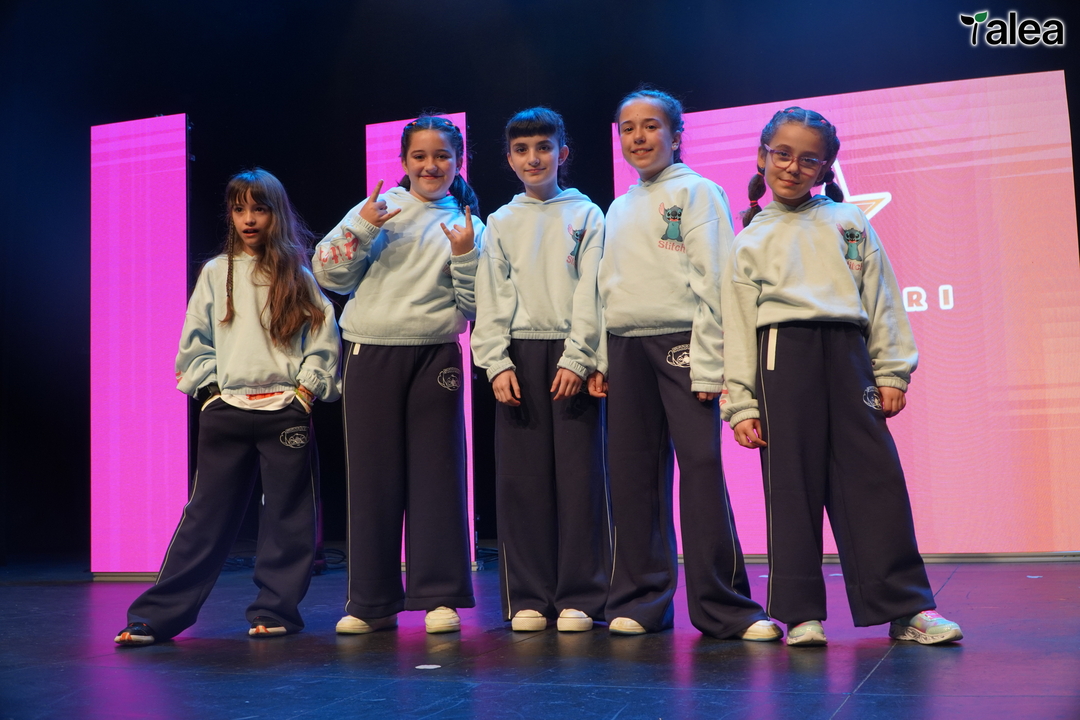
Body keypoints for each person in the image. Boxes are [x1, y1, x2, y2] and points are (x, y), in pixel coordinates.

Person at [723, 106, 963, 646]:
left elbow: (882, 300)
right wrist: (741, 403)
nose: (793, 167)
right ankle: (800, 613)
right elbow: (735, 327)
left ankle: (906, 608)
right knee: (791, 485)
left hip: (849, 355)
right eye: (782, 154)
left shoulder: (849, 221)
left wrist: (892, 370)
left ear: (825, 167)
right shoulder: (748, 240)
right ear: (762, 157)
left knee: (875, 481)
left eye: (808, 159)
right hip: (782, 360)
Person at [115, 168, 341, 646]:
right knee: (205, 516)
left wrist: (304, 392)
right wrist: (211, 392)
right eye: (239, 209)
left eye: (259, 208)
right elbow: (194, 340)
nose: (248, 219)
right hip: (227, 411)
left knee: (288, 517)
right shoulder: (216, 273)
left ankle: (275, 610)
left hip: (284, 411)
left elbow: (324, 338)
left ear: (276, 214)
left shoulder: (299, 276)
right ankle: (157, 616)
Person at [597, 88, 779, 640]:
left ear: (676, 136)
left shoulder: (698, 192)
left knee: (700, 472)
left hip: (683, 344)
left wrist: (710, 363)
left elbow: (718, 280)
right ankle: (641, 601)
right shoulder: (618, 206)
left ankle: (726, 606)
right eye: (628, 128)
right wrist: (601, 356)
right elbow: (605, 290)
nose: (638, 137)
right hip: (626, 347)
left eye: (651, 126)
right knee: (632, 477)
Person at [314, 115, 481, 635]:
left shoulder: (470, 224)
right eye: (420, 156)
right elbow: (328, 273)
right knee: (372, 478)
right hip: (371, 353)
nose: (431, 165)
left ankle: (439, 595)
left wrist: (464, 253)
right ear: (404, 161)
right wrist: (363, 226)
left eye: (442, 156)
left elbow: (476, 304)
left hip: (435, 356)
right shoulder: (380, 209)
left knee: (438, 475)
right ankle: (371, 601)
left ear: (459, 161)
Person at [471, 107, 609, 633]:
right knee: (522, 481)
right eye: (522, 150)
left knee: (580, 479)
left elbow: (594, 290)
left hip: (573, 354)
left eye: (544, 147)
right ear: (509, 159)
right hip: (519, 357)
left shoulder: (588, 214)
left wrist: (579, 356)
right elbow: (492, 296)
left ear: (562, 153)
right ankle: (529, 595)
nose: (534, 158)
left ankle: (581, 595)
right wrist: (496, 363)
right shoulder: (500, 223)